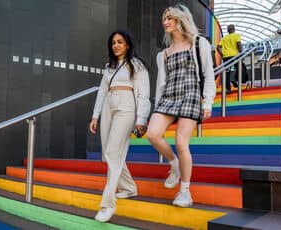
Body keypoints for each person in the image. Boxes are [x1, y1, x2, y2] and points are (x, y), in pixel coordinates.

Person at [146, 4, 216, 208]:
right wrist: (156, 107)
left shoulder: (198, 43)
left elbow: (208, 75)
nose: (165, 22)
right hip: (169, 96)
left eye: (170, 18)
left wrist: (208, 101)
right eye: (164, 19)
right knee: (153, 134)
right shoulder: (164, 54)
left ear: (180, 19)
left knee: (181, 142)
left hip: (191, 95)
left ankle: (185, 191)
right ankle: (173, 164)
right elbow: (161, 83)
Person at [89, 30, 151, 222]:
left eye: (120, 42)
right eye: (114, 42)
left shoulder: (137, 65)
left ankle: (107, 204)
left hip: (126, 108)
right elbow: (101, 92)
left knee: (112, 153)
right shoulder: (109, 67)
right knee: (108, 154)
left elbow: (143, 95)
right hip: (108, 106)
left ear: (128, 45)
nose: (116, 45)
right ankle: (129, 188)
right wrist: (95, 116)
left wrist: (141, 119)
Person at [217, 24, 242, 94]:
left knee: (227, 73)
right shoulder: (237, 35)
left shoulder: (224, 38)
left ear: (228, 31)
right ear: (234, 29)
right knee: (240, 69)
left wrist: (222, 54)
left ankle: (228, 89)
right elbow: (239, 44)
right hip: (235, 56)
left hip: (226, 57)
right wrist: (241, 51)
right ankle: (234, 80)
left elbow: (218, 47)